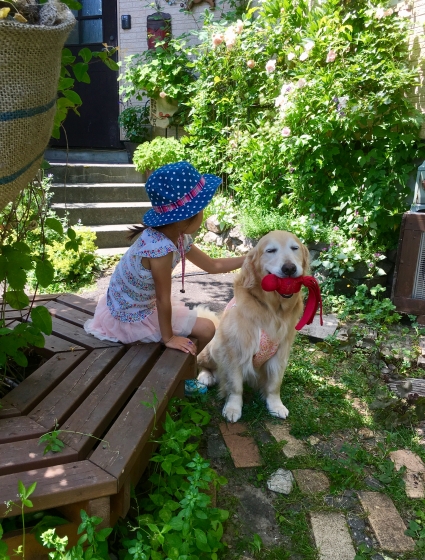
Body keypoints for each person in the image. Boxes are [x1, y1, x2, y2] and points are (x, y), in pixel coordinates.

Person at [84, 161, 245, 357]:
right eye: (201, 208)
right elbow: (162, 299)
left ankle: (180, 363)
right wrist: (169, 338)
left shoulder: (176, 235)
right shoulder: (160, 250)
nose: (203, 213)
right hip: (131, 315)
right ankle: (182, 368)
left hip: (133, 304)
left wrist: (249, 258)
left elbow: (212, 265)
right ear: (186, 216)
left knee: (203, 326)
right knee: (207, 329)